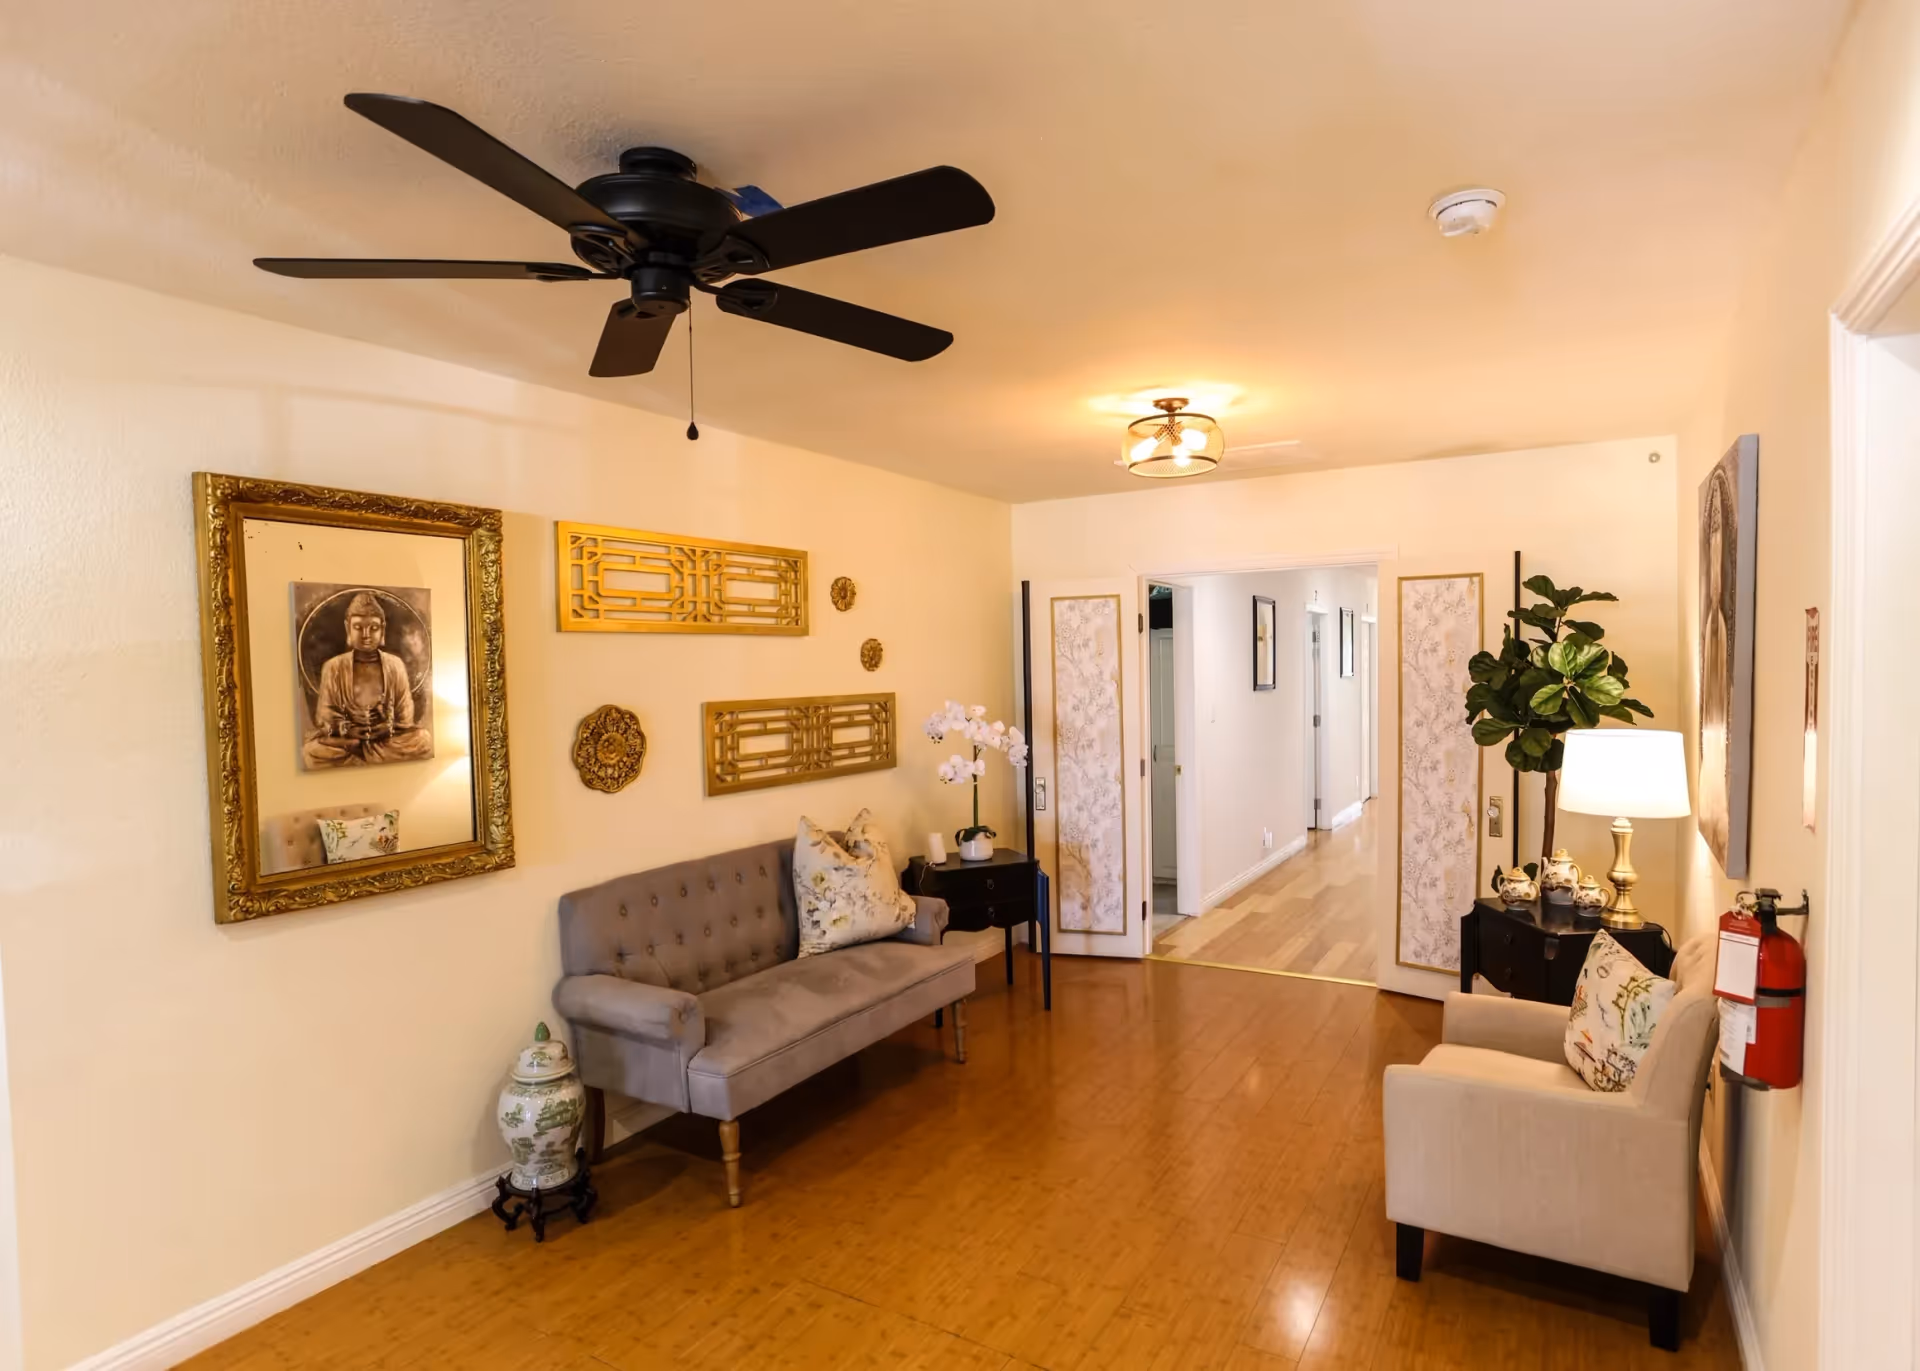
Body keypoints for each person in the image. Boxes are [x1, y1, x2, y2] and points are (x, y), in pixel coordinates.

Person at [302, 591, 435, 767]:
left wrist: (388, 728)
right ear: (347, 627)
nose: (366, 634)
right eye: (358, 627)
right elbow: (324, 717)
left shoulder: (395, 665)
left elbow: (405, 716)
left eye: (373, 628)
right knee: (312, 750)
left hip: (387, 741)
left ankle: (359, 755)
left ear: (383, 629)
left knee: (423, 739)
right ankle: (357, 749)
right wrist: (347, 729)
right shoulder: (333, 667)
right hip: (348, 742)